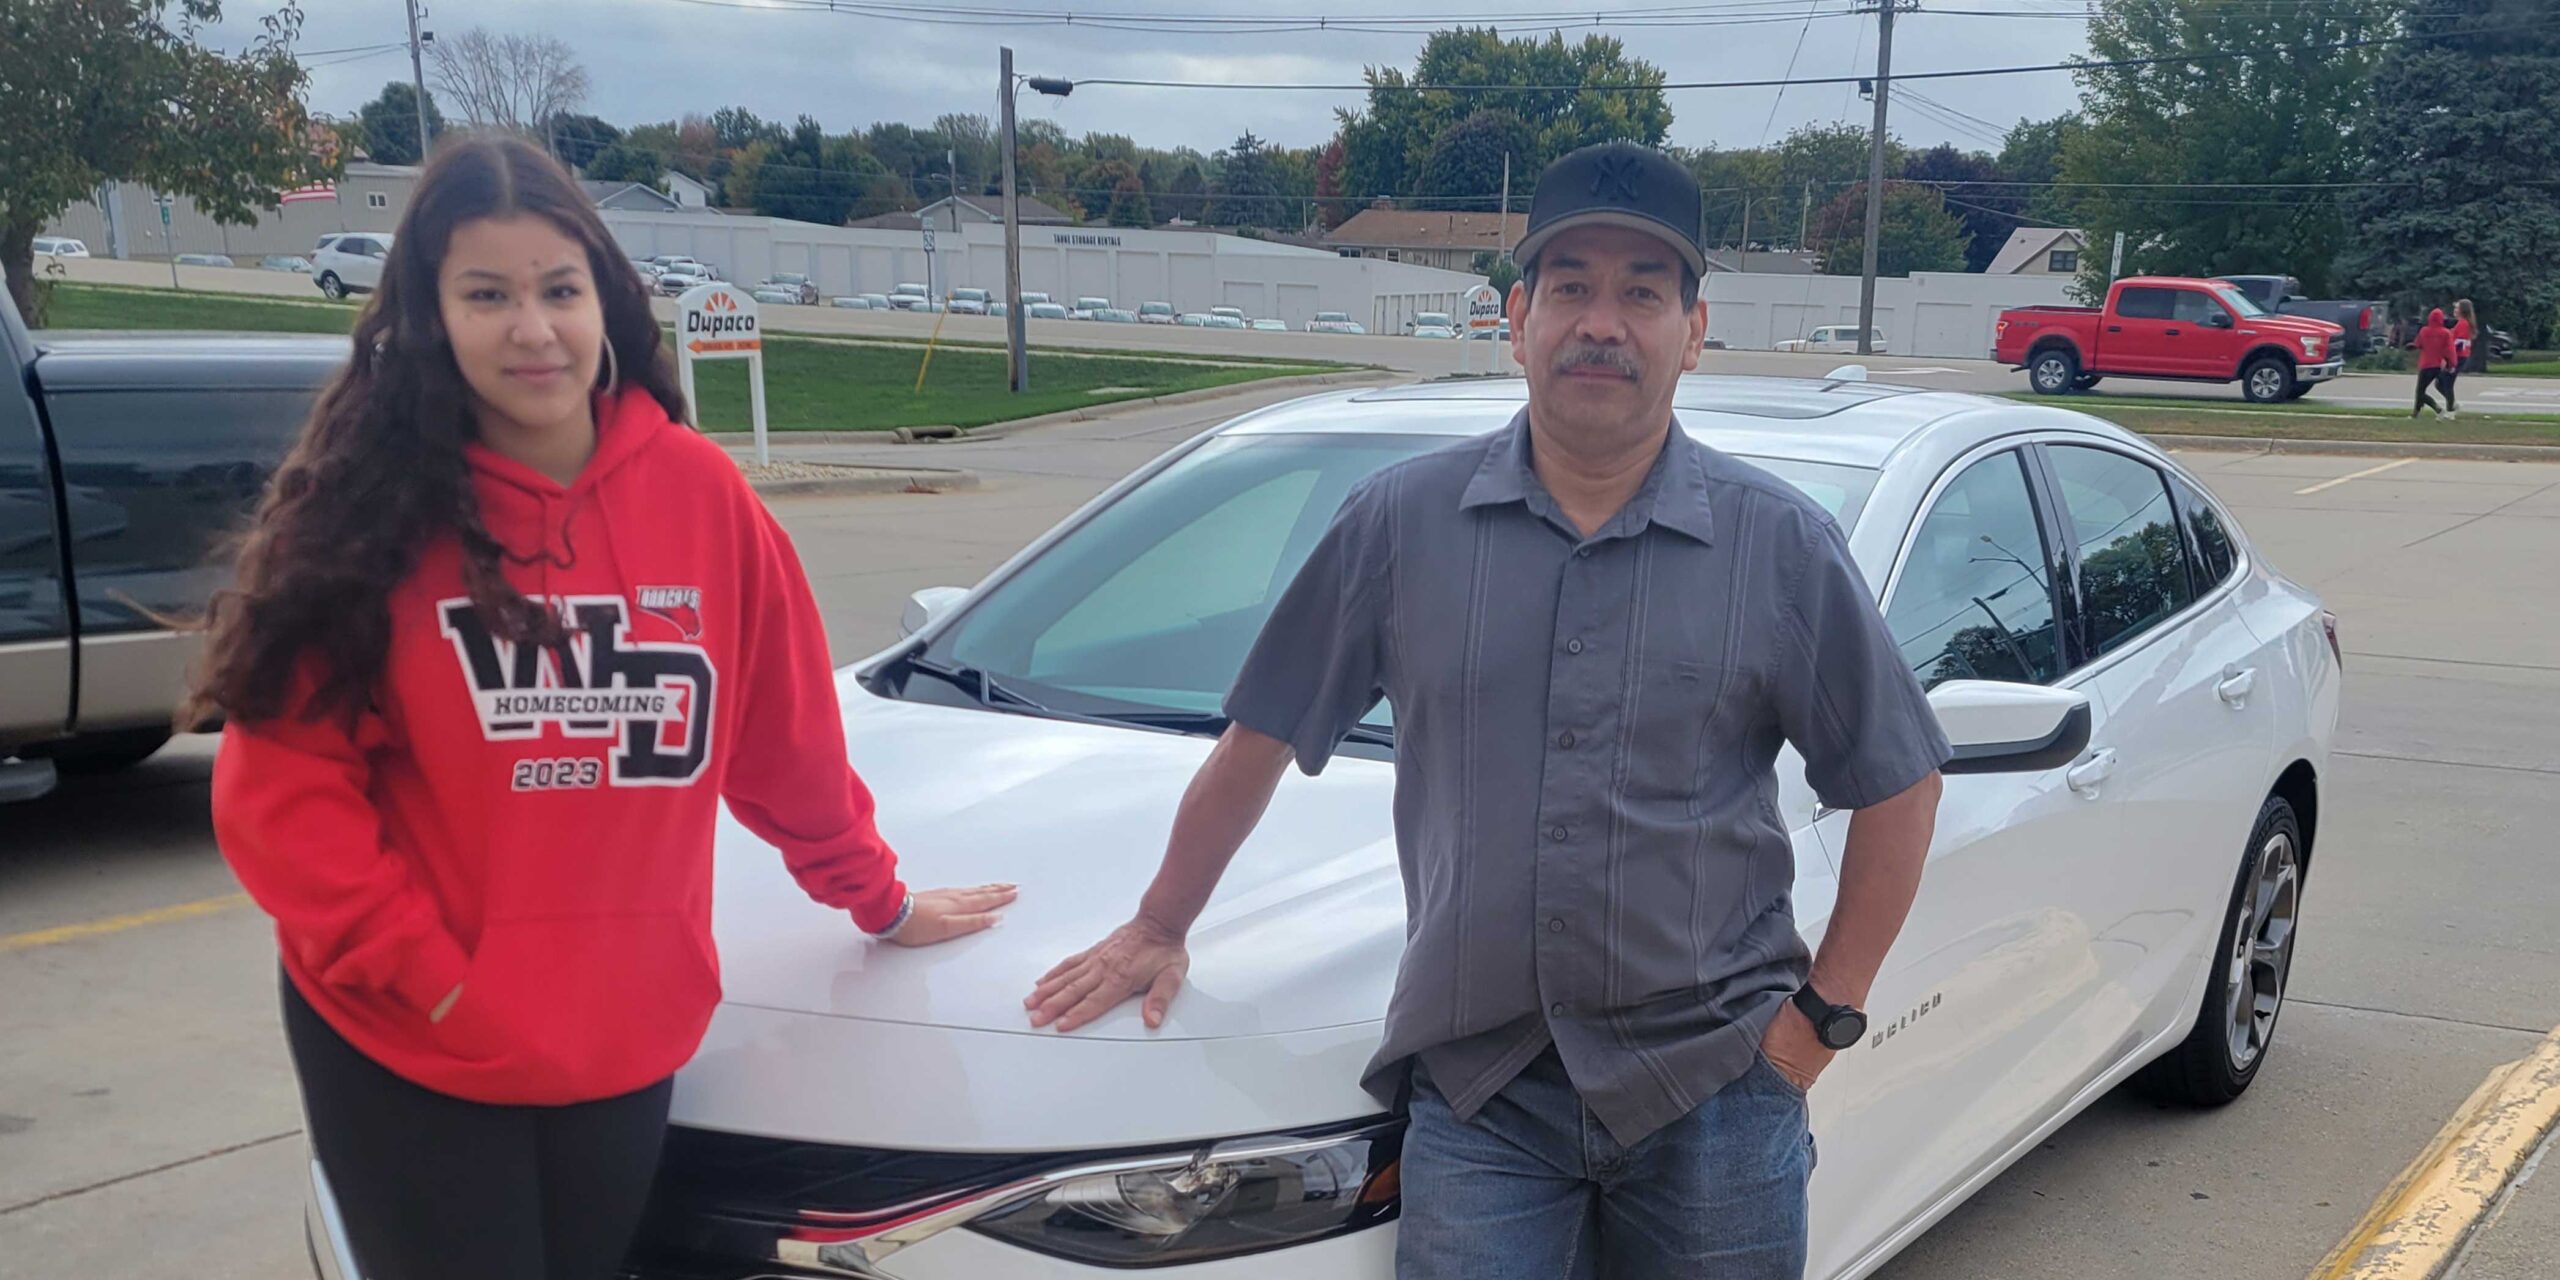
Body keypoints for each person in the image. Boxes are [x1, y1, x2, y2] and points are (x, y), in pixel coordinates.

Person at [1024, 142, 1948, 1279]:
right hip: (1482, 1096)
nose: (1600, 321)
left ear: (1692, 332)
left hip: (1713, 1084)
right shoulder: (1398, 525)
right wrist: (1159, 921)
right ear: (1517, 319)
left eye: (1641, 293)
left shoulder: (1781, 546)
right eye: (1569, 287)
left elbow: (1899, 779)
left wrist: (1817, 1027)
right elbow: (1260, 735)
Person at [195, 135, 1015, 1280]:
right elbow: (281, 793)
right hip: (413, 1035)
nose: (532, 327)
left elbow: (784, 747)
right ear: (431, 315)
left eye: (557, 289)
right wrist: (428, 972)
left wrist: (877, 899)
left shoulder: (703, 499)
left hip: (621, 1036)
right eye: (487, 294)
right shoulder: (367, 517)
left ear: (605, 298)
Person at [2415, 306, 2456, 419]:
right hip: (2439, 365)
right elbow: (2450, 351)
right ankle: (2451, 407)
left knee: (2420, 391)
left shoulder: (2424, 331)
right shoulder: (2446, 333)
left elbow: (2418, 344)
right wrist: (2452, 364)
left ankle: (2430, 409)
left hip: (2425, 364)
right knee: (2445, 387)